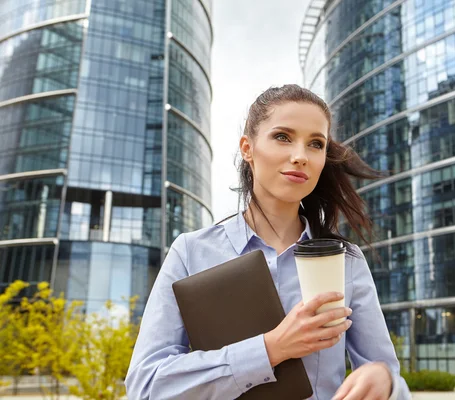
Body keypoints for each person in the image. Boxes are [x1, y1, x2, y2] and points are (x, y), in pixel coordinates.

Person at [125, 85, 412, 399]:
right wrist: (270, 349)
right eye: (283, 137)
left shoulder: (346, 261)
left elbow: (391, 380)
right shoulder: (191, 252)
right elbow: (146, 384)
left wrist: (385, 381)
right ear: (247, 148)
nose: (300, 156)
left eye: (315, 144)